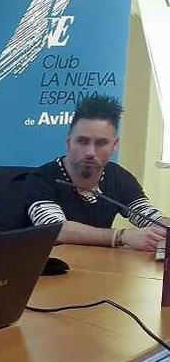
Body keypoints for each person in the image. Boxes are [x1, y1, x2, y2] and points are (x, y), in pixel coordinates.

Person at [24, 94, 166, 251]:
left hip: (98, 267)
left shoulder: (118, 176)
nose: (90, 152)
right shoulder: (41, 178)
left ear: (114, 145)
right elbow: (54, 230)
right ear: (68, 142)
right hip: (48, 269)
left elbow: (150, 217)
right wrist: (121, 236)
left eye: (101, 143)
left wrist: (165, 229)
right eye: (82, 141)